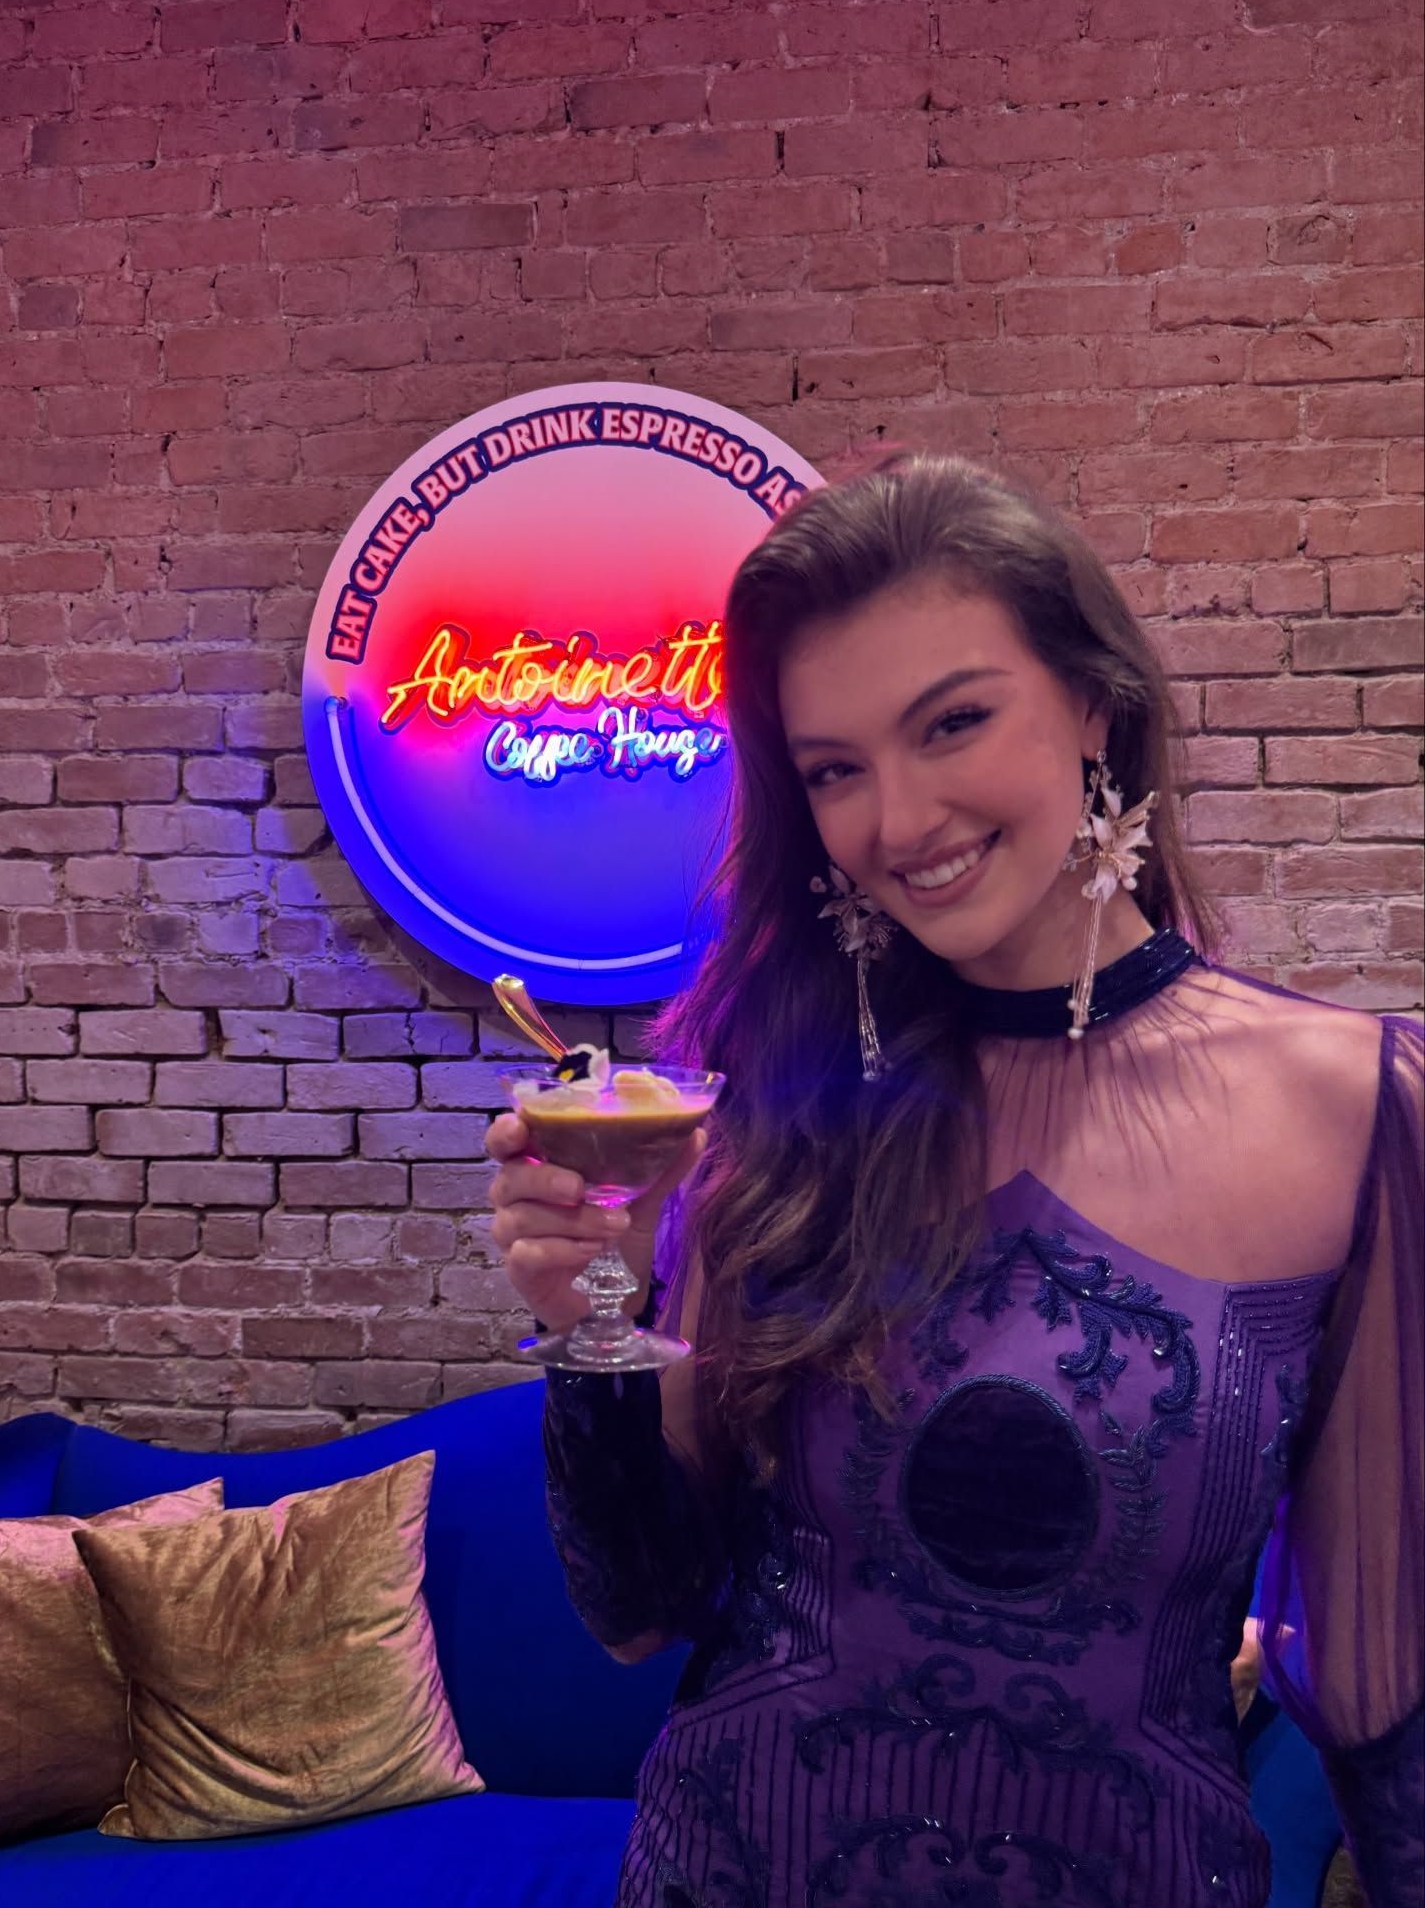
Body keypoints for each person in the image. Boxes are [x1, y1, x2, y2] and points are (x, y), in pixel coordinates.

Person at [488, 456, 1422, 1908]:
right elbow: (642, 1611)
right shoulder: (775, 1089)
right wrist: (589, 1317)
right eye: (835, 770)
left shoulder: (1352, 1106)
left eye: (954, 723)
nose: (899, 819)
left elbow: (1383, 1695)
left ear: (1094, 702)